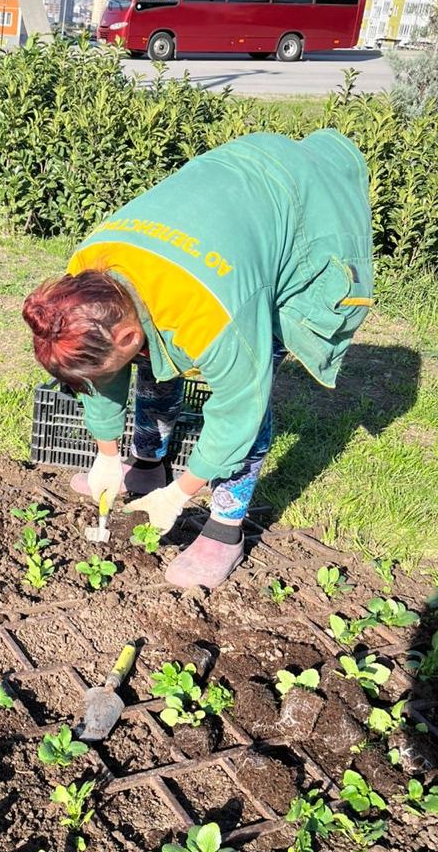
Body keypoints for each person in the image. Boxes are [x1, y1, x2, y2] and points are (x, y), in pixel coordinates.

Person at [22, 128, 374, 589]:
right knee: (153, 356)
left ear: (127, 333)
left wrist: (181, 495)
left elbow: (238, 411)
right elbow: (98, 376)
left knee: (251, 385)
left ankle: (226, 531)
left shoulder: (218, 313)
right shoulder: (91, 281)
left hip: (298, 202)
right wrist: (107, 454)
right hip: (225, 196)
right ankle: (147, 466)